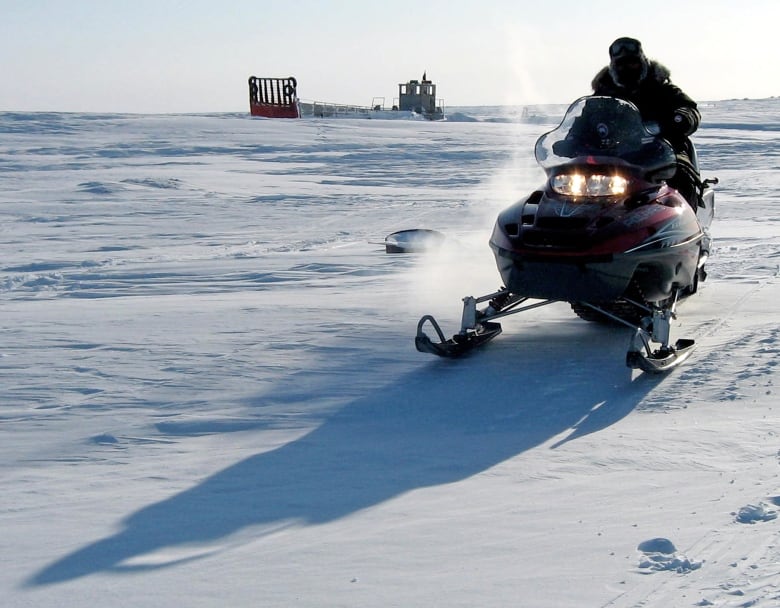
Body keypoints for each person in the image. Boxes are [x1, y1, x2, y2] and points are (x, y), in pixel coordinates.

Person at [591, 37, 702, 206]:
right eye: (621, 64)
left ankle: (687, 217)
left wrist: (681, 118)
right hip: (613, 154)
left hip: (661, 151)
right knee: (571, 180)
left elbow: (688, 108)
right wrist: (571, 138)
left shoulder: (662, 88)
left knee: (679, 175)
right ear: (613, 66)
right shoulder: (603, 94)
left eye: (632, 62)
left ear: (642, 62)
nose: (626, 68)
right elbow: (586, 119)